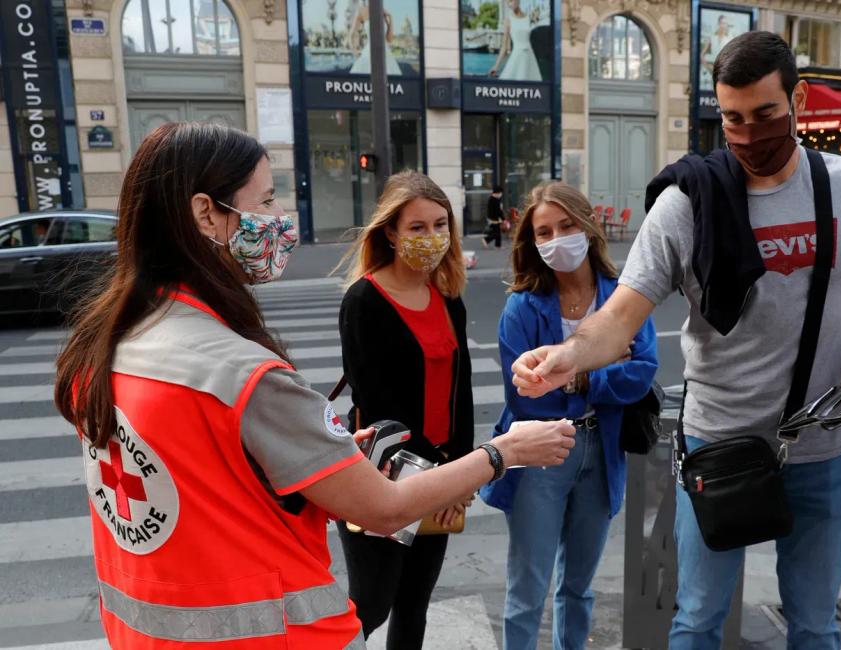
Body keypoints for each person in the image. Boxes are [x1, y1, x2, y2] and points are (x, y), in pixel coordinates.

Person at [52, 122, 575, 649]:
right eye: (267, 200)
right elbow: (383, 507)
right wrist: (502, 452)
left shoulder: (108, 345)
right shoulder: (241, 372)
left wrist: (320, 455)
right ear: (206, 213)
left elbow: (206, 480)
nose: (279, 220)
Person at [510, 32, 841, 650]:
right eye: (733, 119)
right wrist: (565, 357)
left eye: (765, 115)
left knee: (815, 626)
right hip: (718, 444)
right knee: (696, 621)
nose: (749, 135)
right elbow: (619, 318)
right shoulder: (686, 205)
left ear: (798, 98)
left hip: (821, 449)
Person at [480, 181, 658, 649]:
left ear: (588, 227)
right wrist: (603, 368)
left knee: (579, 587)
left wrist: (576, 377)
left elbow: (642, 373)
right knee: (528, 589)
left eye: (566, 226)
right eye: (543, 232)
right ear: (532, 243)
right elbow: (528, 398)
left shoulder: (622, 299)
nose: (556, 239)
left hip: (602, 449)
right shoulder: (521, 307)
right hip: (541, 451)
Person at [335, 170, 474, 648]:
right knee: (372, 604)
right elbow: (378, 408)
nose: (432, 237)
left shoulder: (448, 296)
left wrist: (462, 471)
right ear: (390, 232)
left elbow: (463, 391)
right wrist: (437, 481)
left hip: (439, 474)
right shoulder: (364, 301)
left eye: (440, 225)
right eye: (418, 227)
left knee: (415, 604)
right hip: (382, 481)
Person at [487, 0, 542, 81]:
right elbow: (504, 47)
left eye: (511, 1)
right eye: (508, 2)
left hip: (530, 58)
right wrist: (496, 66)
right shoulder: (508, 20)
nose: (509, 4)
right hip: (517, 58)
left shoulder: (528, 17)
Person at [349, 1, 402, 75]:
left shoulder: (383, 11)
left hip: (385, 54)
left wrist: (390, 18)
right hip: (369, 54)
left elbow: (389, 39)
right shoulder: (362, 11)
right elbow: (352, 33)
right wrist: (355, 51)